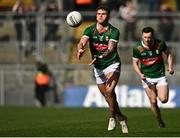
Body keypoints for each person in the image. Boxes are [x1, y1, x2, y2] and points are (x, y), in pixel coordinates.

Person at [76, 5, 128, 133]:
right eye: (98, 13)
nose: (100, 16)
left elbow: (110, 49)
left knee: (110, 91)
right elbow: (82, 41)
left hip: (112, 63)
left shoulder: (114, 31)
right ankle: (121, 117)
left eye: (103, 14)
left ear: (108, 16)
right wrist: (80, 49)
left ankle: (111, 117)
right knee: (108, 96)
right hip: (98, 67)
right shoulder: (90, 30)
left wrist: (100, 56)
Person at [132, 27, 174, 128]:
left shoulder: (160, 44)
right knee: (153, 101)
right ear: (142, 36)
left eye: (149, 37)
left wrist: (170, 67)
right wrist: (140, 74)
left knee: (163, 100)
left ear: (153, 36)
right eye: (145, 37)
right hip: (147, 78)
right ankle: (159, 120)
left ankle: (159, 94)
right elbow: (135, 63)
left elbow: (168, 54)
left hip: (160, 75)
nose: (147, 39)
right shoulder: (137, 48)